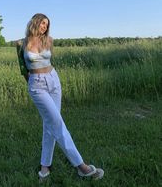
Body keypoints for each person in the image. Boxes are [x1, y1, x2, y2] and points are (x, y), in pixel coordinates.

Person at [16, 13, 104, 180]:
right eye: (42, 23)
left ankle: (45, 167)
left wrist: (48, 77)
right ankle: (81, 166)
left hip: (53, 81)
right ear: (34, 22)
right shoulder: (21, 43)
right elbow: (23, 69)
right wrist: (33, 82)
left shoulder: (49, 41)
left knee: (50, 123)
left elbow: (49, 61)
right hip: (36, 85)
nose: (44, 27)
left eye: (47, 25)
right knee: (57, 123)